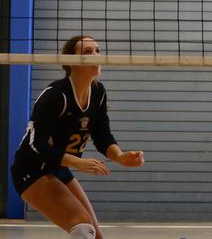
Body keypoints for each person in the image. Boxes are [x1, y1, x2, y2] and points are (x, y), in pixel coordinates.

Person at [11, 36, 145, 239]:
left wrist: (119, 156)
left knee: (95, 235)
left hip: (59, 169)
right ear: (71, 61)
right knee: (82, 227)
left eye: (98, 50)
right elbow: (35, 144)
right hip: (32, 170)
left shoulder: (98, 92)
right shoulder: (56, 95)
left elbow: (102, 135)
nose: (96, 55)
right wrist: (77, 162)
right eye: (88, 51)